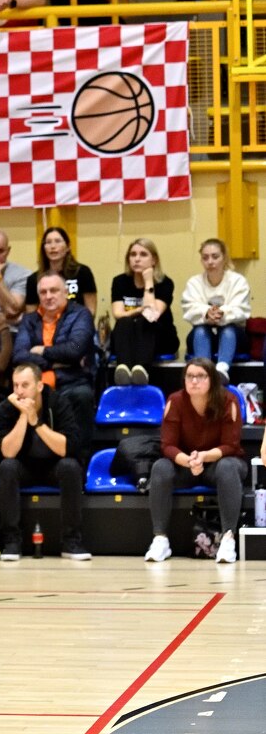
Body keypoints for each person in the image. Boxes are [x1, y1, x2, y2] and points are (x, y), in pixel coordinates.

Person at [145, 359, 249, 563]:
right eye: (190, 376)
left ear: (212, 379)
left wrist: (203, 456)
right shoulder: (175, 401)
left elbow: (231, 445)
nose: (194, 381)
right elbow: (167, 445)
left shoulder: (228, 400)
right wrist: (188, 461)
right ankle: (160, 539)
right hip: (186, 464)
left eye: (200, 376)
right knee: (160, 467)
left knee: (228, 467)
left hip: (219, 463)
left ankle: (228, 540)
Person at [0, 362, 88, 562]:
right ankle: (12, 541)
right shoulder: (5, 409)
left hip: (54, 466)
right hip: (24, 467)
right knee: (7, 467)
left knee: (71, 467)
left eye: (25, 385)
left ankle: (71, 541)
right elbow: (8, 452)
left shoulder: (59, 403)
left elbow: (66, 448)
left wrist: (36, 421)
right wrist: (23, 415)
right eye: (15, 385)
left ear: (39, 386)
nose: (19, 391)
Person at [14, 270, 98, 446]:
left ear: (65, 292)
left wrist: (42, 350)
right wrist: (55, 362)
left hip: (72, 381)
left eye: (54, 290)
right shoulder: (29, 320)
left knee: (82, 396)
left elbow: (75, 350)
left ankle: (80, 456)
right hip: (36, 385)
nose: (48, 296)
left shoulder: (81, 314)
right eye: (43, 292)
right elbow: (19, 356)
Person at [110, 237, 178, 386]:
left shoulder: (165, 283)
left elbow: (152, 314)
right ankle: (123, 370)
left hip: (160, 337)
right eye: (133, 254)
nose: (137, 259)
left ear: (154, 260)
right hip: (129, 337)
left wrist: (148, 281)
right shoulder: (120, 281)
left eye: (143, 254)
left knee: (144, 321)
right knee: (124, 322)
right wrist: (140, 309)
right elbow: (118, 314)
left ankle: (142, 370)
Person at [181, 238, 251, 377]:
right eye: (205, 257)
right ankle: (203, 372)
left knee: (228, 330)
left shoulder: (238, 281)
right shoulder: (194, 283)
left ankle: (221, 372)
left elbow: (241, 309)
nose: (210, 261)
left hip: (234, 336)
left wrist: (221, 313)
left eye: (215, 256)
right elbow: (189, 309)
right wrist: (206, 313)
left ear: (224, 258)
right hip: (204, 334)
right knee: (200, 331)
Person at [24, 226, 99, 314]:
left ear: (68, 247)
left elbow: (90, 310)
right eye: (48, 242)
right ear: (43, 248)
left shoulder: (83, 272)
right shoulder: (33, 279)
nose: (53, 246)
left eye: (58, 241)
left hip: (77, 320)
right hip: (46, 321)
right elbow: (31, 314)